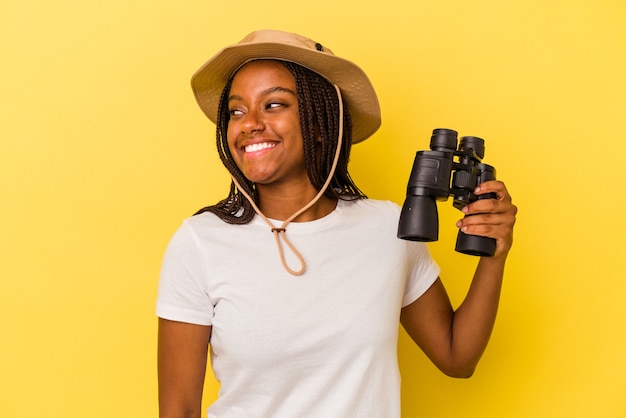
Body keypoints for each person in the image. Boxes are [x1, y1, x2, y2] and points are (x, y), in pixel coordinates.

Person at [156, 29, 517, 418]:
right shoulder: (200, 242)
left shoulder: (387, 229)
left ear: (320, 123)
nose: (250, 124)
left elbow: (456, 357)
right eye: (236, 111)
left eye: (274, 104)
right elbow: (178, 410)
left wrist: (494, 256)